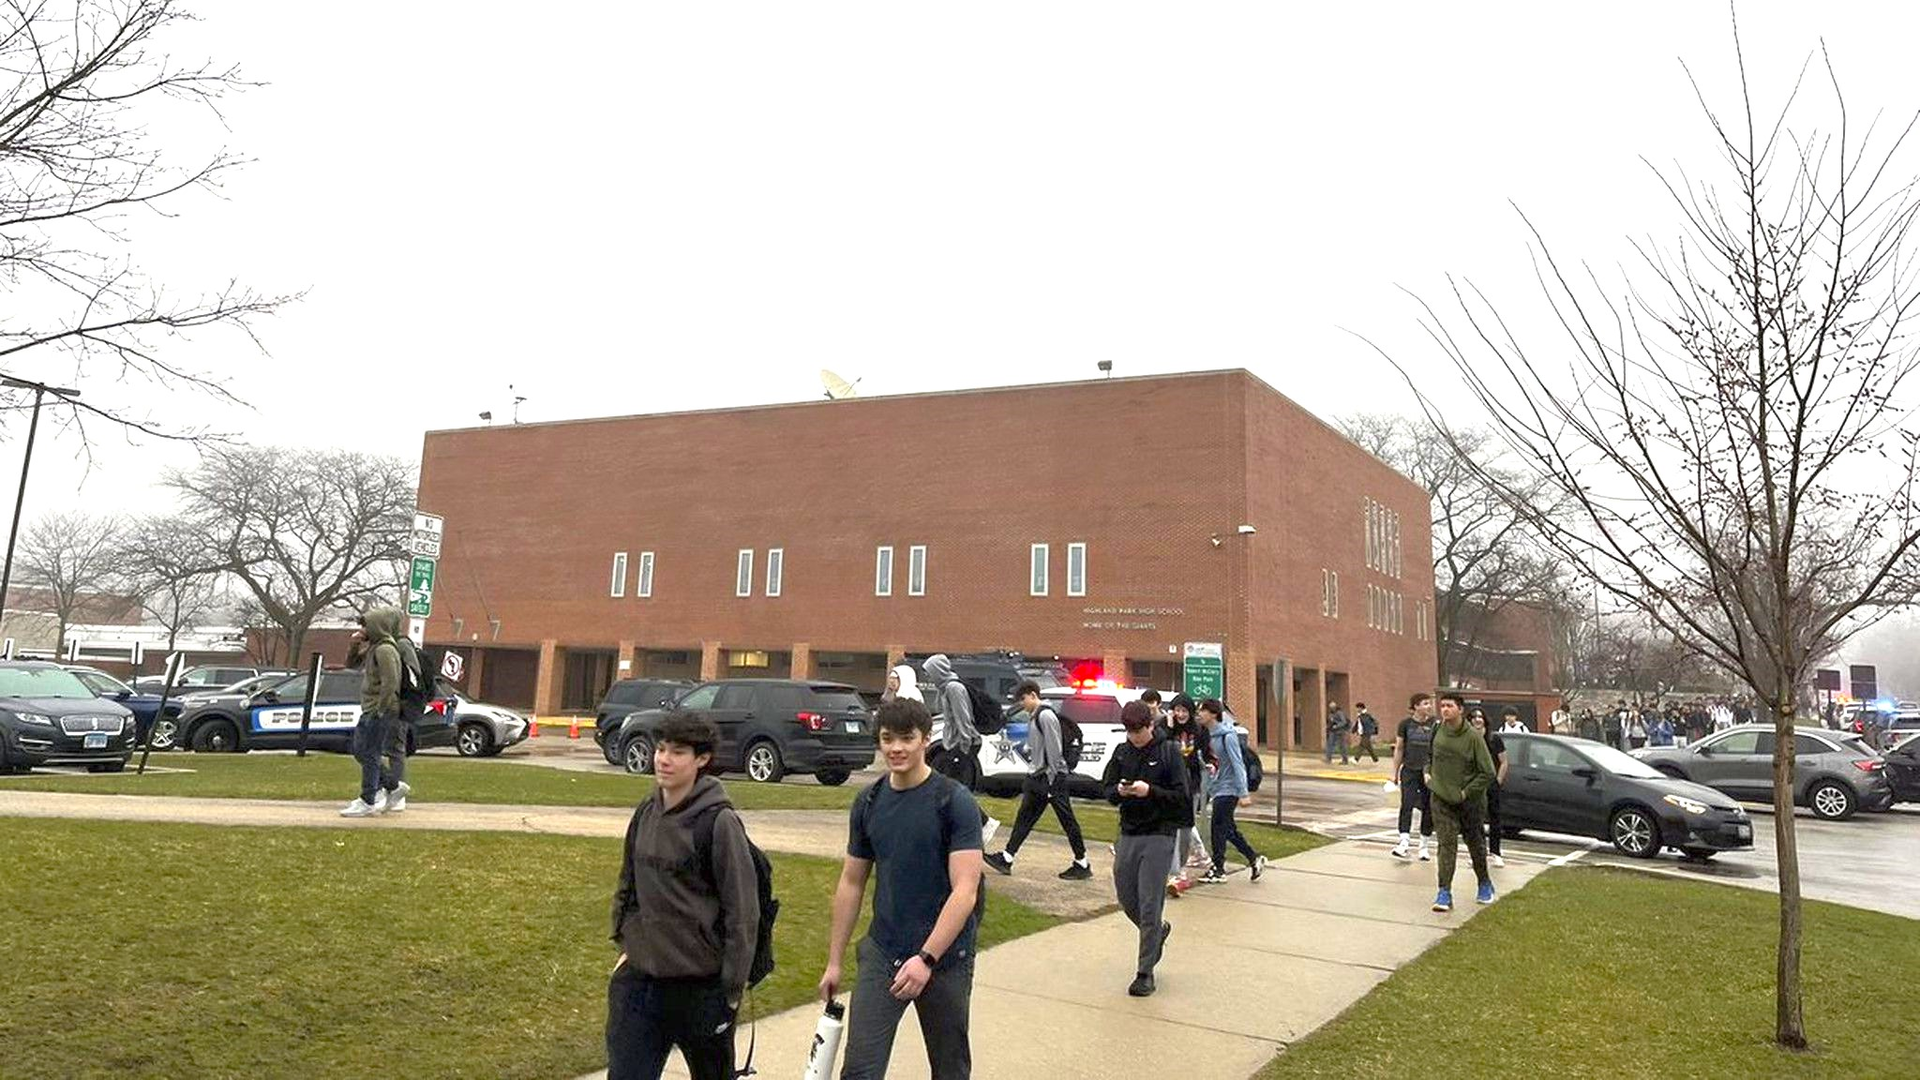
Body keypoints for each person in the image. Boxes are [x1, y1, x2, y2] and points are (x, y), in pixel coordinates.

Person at [821, 698, 984, 1080]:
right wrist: (834, 961)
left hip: (945, 959)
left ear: (925, 739)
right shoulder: (869, 801)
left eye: (906, 738)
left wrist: (926, 959)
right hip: (884, 951)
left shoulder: (953, 801)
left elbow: (965, 891)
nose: (896, 748)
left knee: (950, 1069)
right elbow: (851, 882)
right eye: (887, 739)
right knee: (860, 1070)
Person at [606, 714, 759, 1080]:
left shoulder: (719, 823)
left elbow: (743, 912)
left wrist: (731, 990)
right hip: (640, 985)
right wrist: (624, 941)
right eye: (661, 749)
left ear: (702, 759)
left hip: (701, 990)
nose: (664, 759)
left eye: (677, 752)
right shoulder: (645, 812)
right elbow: (628, 883)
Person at [1102, 700, 1189, 997]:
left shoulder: (1168, 752)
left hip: (1160, 833)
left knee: (1150, 900)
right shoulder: (1122, 752)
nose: (1134, 736)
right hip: (1129, 831)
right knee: (1127, 896)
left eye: (1138, 730)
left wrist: (1149, 791)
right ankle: (1156, 932)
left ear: (1151, 725)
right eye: (1129, 731)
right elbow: (1107, 788)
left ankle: (1145, 972)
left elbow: (1181, 796)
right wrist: (1120, 791)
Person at [984, 681, 1091, 880]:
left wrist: (1052, 779)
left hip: (1049, 778)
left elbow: (1054, 749)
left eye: (1023, 699)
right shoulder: (1035, 717)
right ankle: (1007, 857)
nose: (1022, 704)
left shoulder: (1045, 716)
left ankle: (1082, 862)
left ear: (1033, 695)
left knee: (1067, 820)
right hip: (1038, 777)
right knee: (1025, 818)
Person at [1427, 692, 1496, 912]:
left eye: (1449, 706)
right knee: (1446, 845)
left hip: (1469, 803)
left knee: (1475, 844)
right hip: (1440, 798)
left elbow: (1488, 772)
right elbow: (1429, 756)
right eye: (1442, 705)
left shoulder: (1473, 737)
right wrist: (1427, 773)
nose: (1444, 709)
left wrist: (1466, 792)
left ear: (1460, 710)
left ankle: (1484, 883)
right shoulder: (1437, 730)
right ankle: (1444, 891)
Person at [922, 653, 1000, 845]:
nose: (928, 677)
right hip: (955, 745)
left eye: (930, 672)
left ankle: (985, 823)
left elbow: (964, 720)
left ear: (938, 671)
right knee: (945, 789)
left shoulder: (953, 688)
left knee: (955, 791)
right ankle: (953, 830)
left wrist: (962, 748)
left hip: (962, 746)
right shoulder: (946, 689)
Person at [341, 606, 405, 817]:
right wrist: (354, 644)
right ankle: (393, 786)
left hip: (380, 710)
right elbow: (351, 664)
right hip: (370, 708)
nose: (362, 629)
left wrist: (381, 709)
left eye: (365, 625)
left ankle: (368, 799)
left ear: (376, 626)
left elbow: (391, 682)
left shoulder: (386, 649)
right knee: (361, 750)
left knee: (369, 752)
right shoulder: (374, 648)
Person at [1197, 698, 1265, 885]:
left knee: (1217, 827)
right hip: (1216, 786)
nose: (1199, 714)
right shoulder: (1206, 735)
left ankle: (1219, 868)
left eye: (1203, 711)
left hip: (1230, 788)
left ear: (1213, 714)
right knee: (1228, 829)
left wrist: (1243, 792)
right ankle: (1254, 858)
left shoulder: (1228, 735)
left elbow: (1238, 764)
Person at [1157, 693, 1213, 892]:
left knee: (1186, 828)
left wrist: (1211, 764)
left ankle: (1189, 862)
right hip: (1168, 785)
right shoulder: (1164, 727)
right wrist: (1169, 726)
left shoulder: (1199, 731)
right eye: (1177, 710)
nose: (1180, 714)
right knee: (1172, 828)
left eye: (1184, 711)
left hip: (1190, 785)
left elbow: (1208, 754)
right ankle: (1177, 873)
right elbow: (1159, 746)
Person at [1387, 692, 1437, 861]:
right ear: (1415, 706)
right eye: (1424, 703)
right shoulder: (1405, 724)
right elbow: (1399, 748)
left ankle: (1424, 845)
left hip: (1428, 772)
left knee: (1428, 807)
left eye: (1429, 703)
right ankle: (1403, 842)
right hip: (1409, 769)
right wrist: (1394, 773)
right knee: (1406, 804)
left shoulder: (1435, 724)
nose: (1428, 706)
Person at [1474, 710, 1513, 868]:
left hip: (1491, 783)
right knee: (1476, 820)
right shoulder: (1468, 739)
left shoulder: (1494, 739)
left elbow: (1503, 761)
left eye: (1480, 717)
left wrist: (1498, 780)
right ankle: (1478, 854)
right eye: (1474, 717)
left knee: (1494, 818)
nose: (1477, 720)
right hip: (1474, 784)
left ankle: (1495, 853)